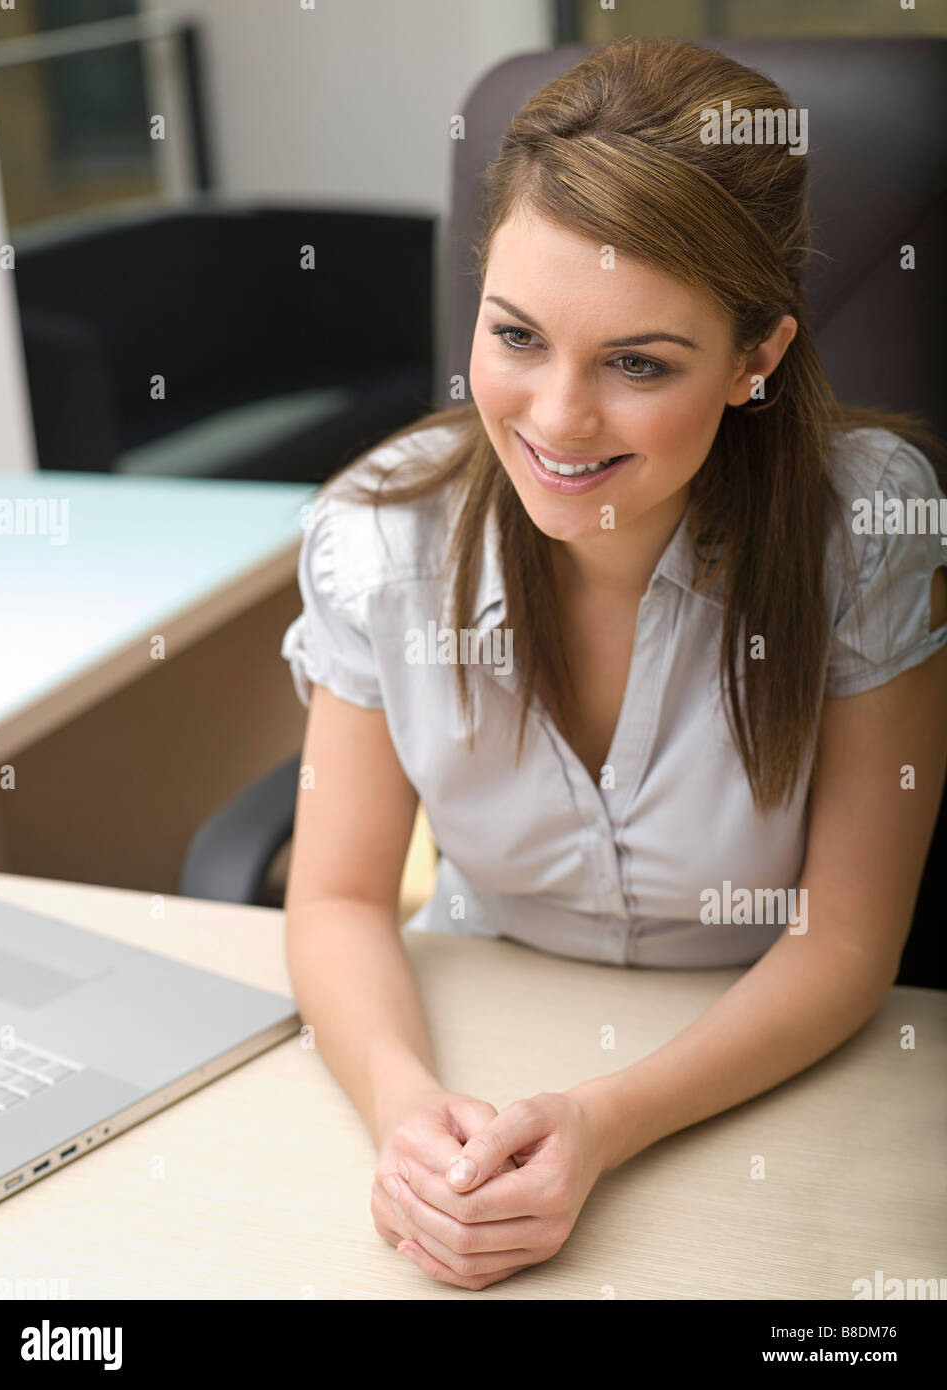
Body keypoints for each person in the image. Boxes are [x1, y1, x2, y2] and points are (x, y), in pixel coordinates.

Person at [280, 37, 947, 1290]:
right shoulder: (376, 538)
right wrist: (407, 1113)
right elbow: (336, 900)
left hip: (766, 1073)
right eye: (517, 335)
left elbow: (846, 937)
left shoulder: (866, 531)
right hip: (482, 1020)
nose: (557, 419)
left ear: (756, 359)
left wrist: (602, 1123)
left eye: (637, 362)